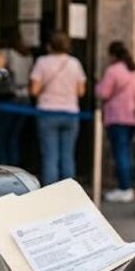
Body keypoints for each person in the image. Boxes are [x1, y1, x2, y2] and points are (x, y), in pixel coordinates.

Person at [30, 32, 86, 185]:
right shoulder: (74, 63)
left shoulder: (42, 62)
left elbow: (34, 90)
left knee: (50, 156)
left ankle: (51, 193)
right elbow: (81, 91)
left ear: (49, 46)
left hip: (47, 112)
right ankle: (69, 191)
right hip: (70, 113)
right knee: (68, 155)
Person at [97, 41, 135, 203]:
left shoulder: (113, 71)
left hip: (116, 116)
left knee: (120, 152)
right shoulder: (134, 72)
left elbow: (103, 92)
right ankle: (127, 186)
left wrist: (97, 85)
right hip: (131, 116)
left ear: (113, 55)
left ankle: (124, 187)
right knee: (126, 152)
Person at [0, 29, 34, 166]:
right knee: (14, 137)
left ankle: (3, 168)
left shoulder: (4, 54)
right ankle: (15, 167)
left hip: (9, 98)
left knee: (2, 137)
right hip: (25, 98)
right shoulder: (28, 56)